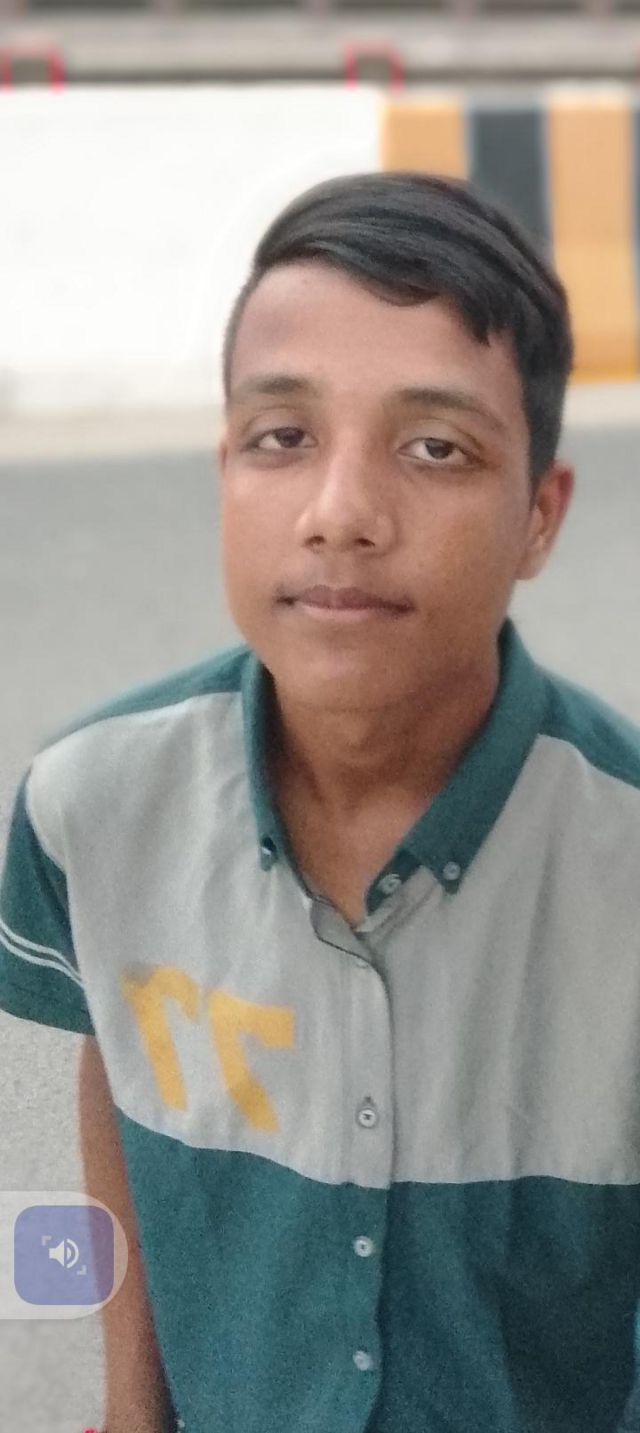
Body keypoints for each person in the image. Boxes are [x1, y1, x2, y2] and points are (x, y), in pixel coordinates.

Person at [1, 168, 639, 1433]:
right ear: (224, 469)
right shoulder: (89, 808)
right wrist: (128, 1411)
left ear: (538, 515)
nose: (340, 514)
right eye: (281, 436)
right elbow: (111, 1079)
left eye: (435, 447)